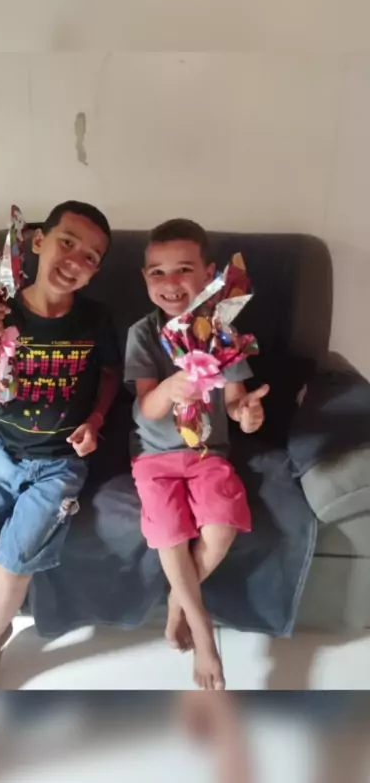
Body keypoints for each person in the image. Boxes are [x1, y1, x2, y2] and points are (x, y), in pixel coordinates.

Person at [0, 201, 120, 690]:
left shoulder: (96, 320)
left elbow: (109, 374)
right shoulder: (0, 312)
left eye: (90, 257)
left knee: (11, 569)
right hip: (0, 454)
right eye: (66, 242)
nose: (75, 260)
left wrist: (96, 418)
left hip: (59, 466)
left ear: (96, 271)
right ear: (38, 241)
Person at [125, 219, 269, 690]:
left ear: (209, 274)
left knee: (221, 528)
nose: (170, 283)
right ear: (145, 278)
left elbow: (236, 402)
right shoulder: (143, 333)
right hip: (154, 456)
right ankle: (202, 630)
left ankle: (178, 601)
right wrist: (172, 386)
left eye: (184, 269)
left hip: (209, 453)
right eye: (157, 273)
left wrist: (247, 414)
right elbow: (146, 408)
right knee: (169, 532)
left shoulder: (223, 332)